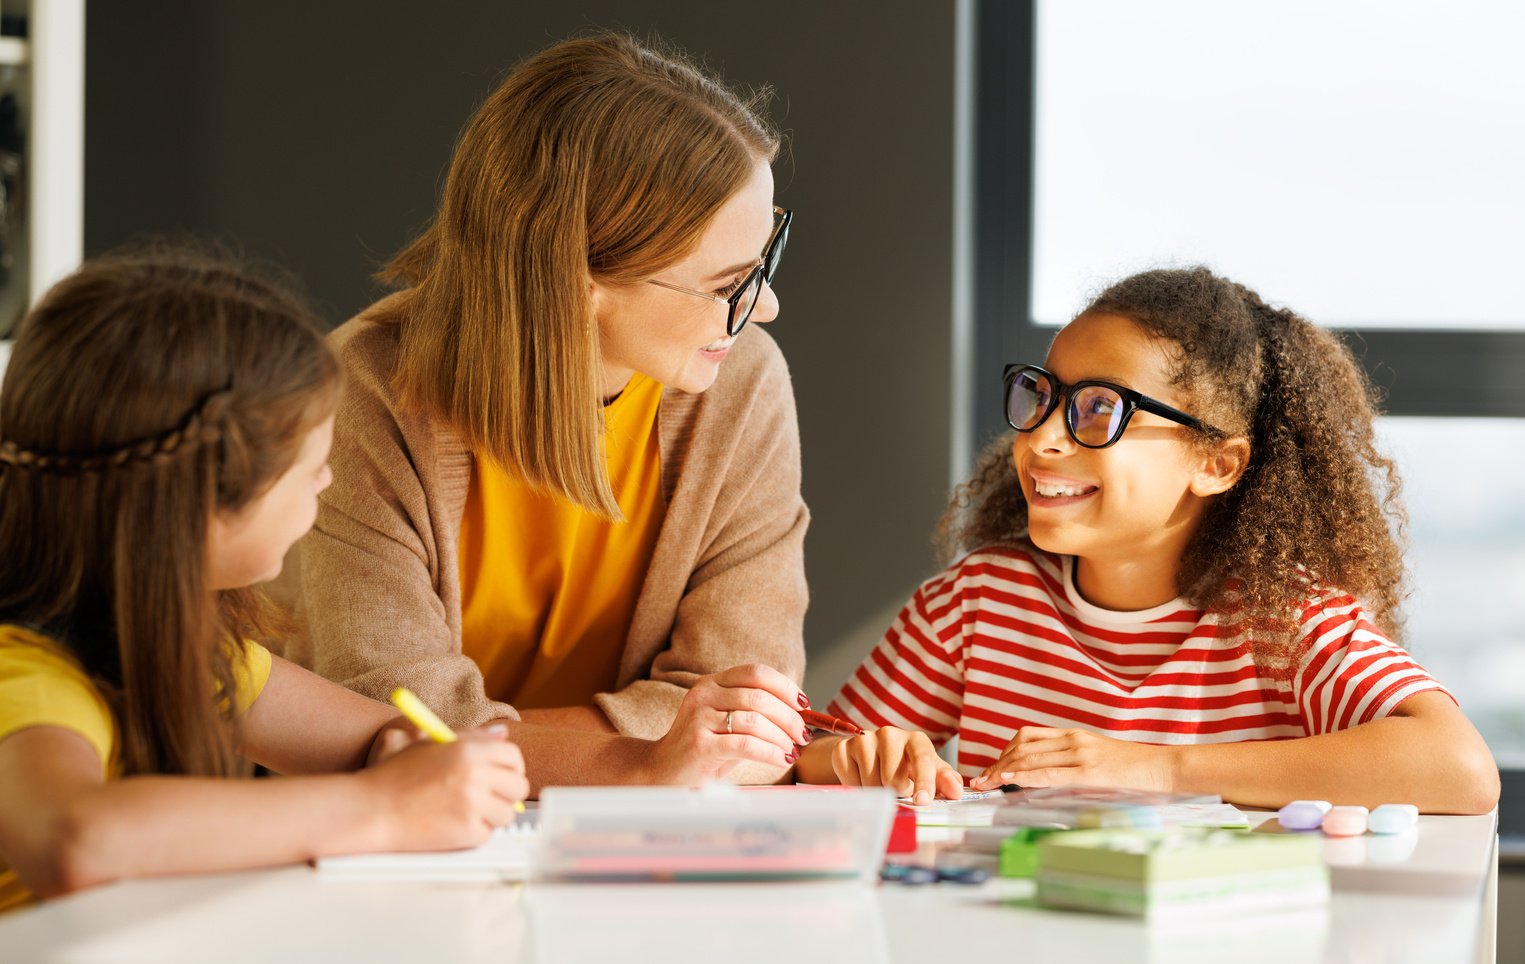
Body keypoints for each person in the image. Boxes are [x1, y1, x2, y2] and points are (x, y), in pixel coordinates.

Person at [282, 33, 812, 790]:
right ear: (578, 280)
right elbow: (386, 720)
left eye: (765, 259)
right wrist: (652, 751)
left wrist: (495, 741)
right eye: (728, 281)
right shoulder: (362, 395)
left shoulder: (737, 386)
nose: (764, 307)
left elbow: (748, 722)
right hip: (388, 840)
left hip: (633, 830)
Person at [794, 267, 1500, 813]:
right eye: (1041, 397)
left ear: (1214, 463)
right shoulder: (977, 602)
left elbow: (1457, 768)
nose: (1039, 438)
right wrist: (864, 757)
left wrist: (1152, 765)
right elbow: (810, 753)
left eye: (1098, 409)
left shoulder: (1282, 622)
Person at [0, 250, 529, 911]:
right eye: (310, 468)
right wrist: (381, 805)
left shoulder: (193, 649)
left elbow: (372, 738)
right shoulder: (24, 674)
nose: (327, 481)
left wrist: (404, 758)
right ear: (204, 502)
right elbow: (71, 843)